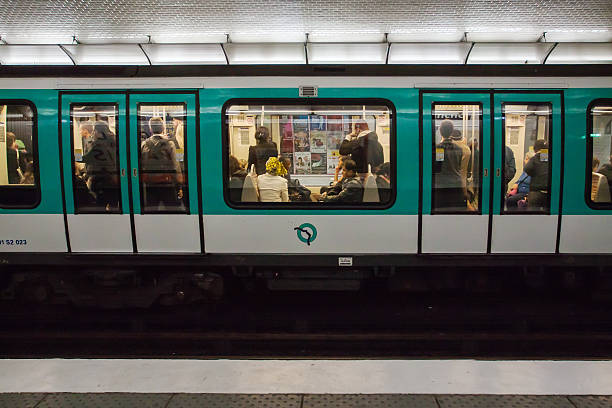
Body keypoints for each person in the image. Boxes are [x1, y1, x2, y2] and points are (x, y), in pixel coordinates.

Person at [141, 117, 184, 210]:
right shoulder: (170, 143)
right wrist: (179, 183)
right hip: (166, 183)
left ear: (151, 129)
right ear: (163, 128)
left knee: (152, 209)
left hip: (150, 184)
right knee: (172, 209)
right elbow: (175, 165)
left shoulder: (144, 144)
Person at [82, 121, 120, 211]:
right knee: (113, 205)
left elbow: (84, 159)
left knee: (100, 207)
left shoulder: (98, 144)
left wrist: (76, 151)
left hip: (101, 179)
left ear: (97, 132)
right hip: (114, 178)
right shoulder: (115, 140)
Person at [433, 120, 467, 210]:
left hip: (441, 186)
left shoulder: (439, 148)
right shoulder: (459, 149)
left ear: (440, 132)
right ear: (451, 132)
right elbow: (458, 166)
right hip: (456, 186)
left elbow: (438, 166)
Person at [524, 139, 549, 211]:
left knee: (533, 215)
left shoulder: (536, 158)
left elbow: (527, 168)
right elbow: (544, 169)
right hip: (548, 192)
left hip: (536, 191)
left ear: (535, 149)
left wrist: (533, 174)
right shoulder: (546, 157)